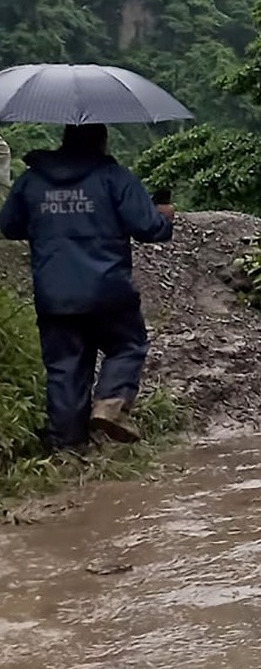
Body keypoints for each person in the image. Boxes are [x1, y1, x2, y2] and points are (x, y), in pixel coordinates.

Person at [0, 124, 175, 449]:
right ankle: (110, 402)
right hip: (109, 291)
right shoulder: (115, 179)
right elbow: (149, 228)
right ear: (102, 141)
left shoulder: (31, 181)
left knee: (65, 369)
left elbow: (9, 226)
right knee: (127, 345)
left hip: (55, 296)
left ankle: (68, 452)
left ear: (64, 140)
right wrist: (164, 216)